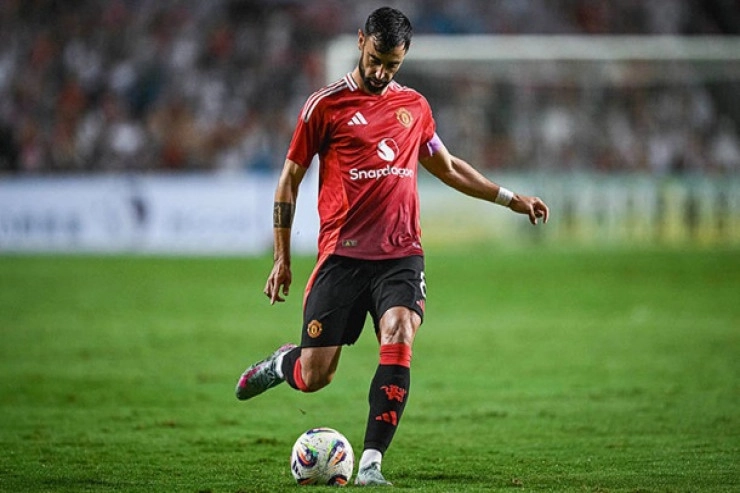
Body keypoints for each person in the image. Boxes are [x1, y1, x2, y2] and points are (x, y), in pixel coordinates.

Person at [235, 6, 549, 486]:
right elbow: (288, 180)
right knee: (316, 376)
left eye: (393, 65)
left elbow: (447, 167)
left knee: (399, 332)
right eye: (376, 60)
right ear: (361, 41)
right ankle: (282, 363)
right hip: (341, 256)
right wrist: (281, 258)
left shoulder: (414, 107)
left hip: (400, 255)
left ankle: (370, 464)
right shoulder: (324, 106)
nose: (381, 72)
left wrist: (510, 198)